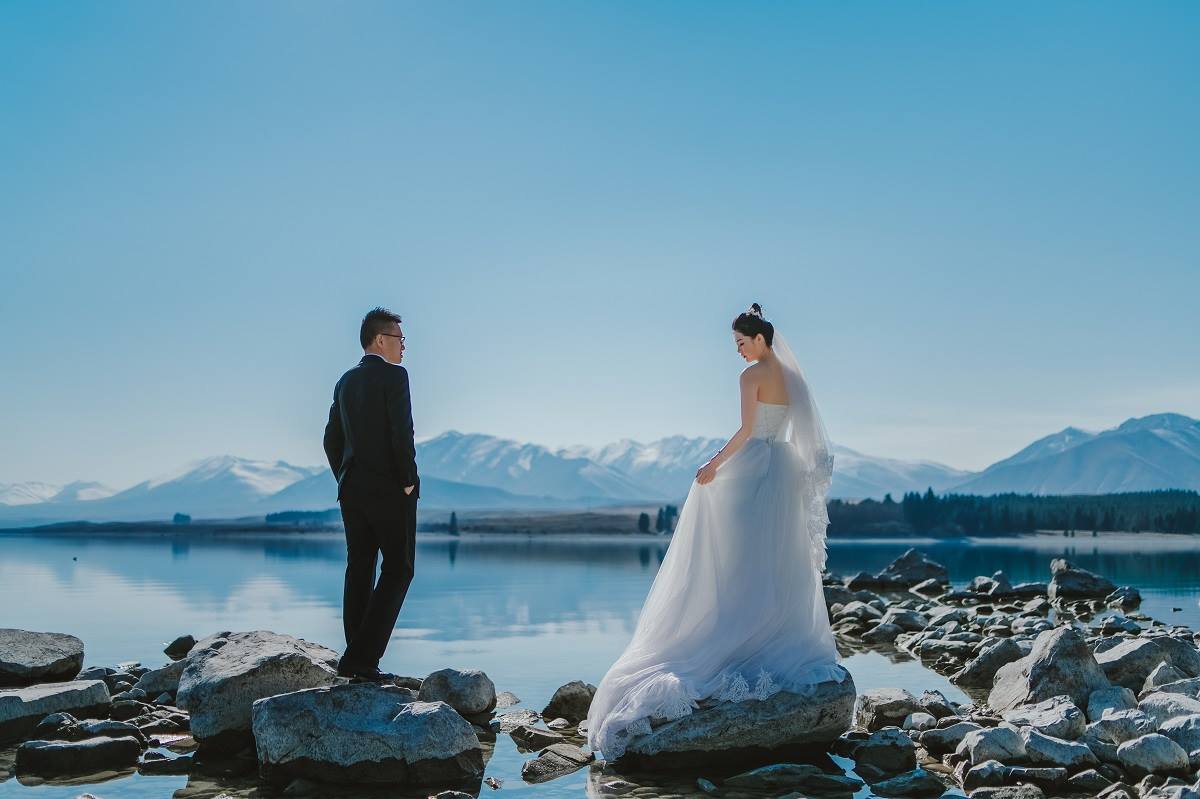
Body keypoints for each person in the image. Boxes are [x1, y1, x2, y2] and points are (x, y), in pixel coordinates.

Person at [586, 303, 847, 760]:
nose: (738, 352)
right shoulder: (794, 376)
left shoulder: (751, 377)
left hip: (756, 466)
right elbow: (801, 434)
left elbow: (748, 430)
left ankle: (726, 632)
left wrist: (712, 464)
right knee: (776, 557)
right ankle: (772, 632)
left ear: (759, 339)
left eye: (741, 343)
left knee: (730, 547)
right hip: (786, 469)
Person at [322, 307, 419, 682]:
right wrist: (407, 479)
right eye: (400, 339)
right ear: (381, 339)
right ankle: (362, 659)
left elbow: (331, 438)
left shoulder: (345, 381)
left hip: (352, 491)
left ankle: (357, 657)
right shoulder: (395, 376)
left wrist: (345, 476)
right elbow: (401, 433)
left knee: (359, 567)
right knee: (399, 569)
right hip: (391, 489)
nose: (404, 348)